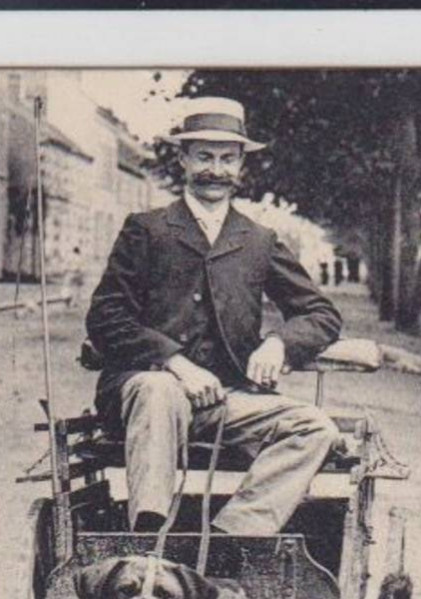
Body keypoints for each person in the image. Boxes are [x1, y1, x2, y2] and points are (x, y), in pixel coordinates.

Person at [85, 97, 343, 536]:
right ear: (183, 159)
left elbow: (320, 312)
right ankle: (149, 533)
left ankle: (233, 535)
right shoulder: (146, 229)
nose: (215, 170)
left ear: (241, 165)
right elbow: (106, 315)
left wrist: (280, 343)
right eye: (204, 156)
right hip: (143, 395)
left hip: (224, 400)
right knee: (159, 387)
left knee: (315, 428)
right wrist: (175, 362)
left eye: (227, 159)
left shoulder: (259, 240)